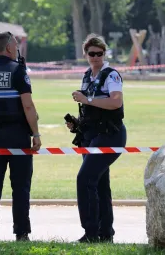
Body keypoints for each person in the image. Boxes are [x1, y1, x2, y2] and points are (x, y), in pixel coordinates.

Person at [0, 31, 41, 241]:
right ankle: (21, 232)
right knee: (20, 187)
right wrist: (36, 133)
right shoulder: (18, 71)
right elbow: (28, 106)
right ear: (10, 48)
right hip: (17, 135)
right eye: (15, 44)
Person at [66, 33, 127, 243]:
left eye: (99, 53)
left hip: (110, 135)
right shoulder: (86, 76)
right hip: (91, 135)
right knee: (99, 183)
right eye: (91, 53)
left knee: (85, 179)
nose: (95, 57)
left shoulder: (111, 75)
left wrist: (87, 99)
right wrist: (76, 123)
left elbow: (115, 102)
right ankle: (105, 233)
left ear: (104, 53)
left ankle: (91, 233)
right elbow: (90, 110)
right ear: (85, 54)